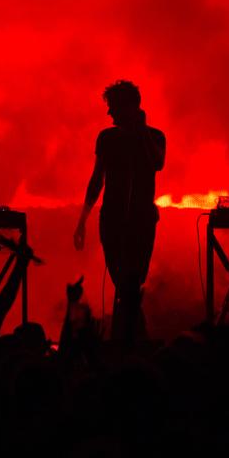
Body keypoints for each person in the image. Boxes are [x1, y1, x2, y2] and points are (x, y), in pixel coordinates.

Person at [74, 80, 166, 343]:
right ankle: (135, 340)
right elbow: (97, 180)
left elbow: (157, 163)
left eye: (113, 107)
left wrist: (141, 130)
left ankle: (128, 341)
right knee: (123, 284)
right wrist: (82, 220)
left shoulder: (155, 136)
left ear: (129, 107)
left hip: (141, 220)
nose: (109, 113)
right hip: (112, 219)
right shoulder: (107, 138)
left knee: (131, 283)